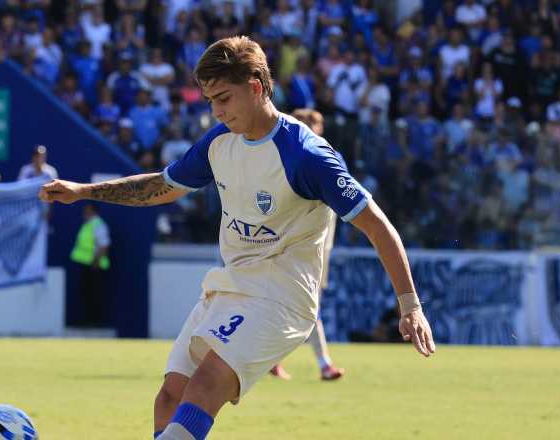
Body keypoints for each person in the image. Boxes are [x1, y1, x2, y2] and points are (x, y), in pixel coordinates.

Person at [40, 36, 435, 440]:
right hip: (231, 283)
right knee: (169, 399)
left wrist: (410, 305)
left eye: (224, 98)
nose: (216, 111)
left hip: (282, 295)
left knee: (205, 384)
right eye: (210, 100)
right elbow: (162, 187)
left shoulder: (307, 155)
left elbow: (378, 225)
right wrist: (84, 191)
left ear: (257, 87)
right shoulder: (218, 143)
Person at [267, 108, 346, 382]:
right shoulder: (286, 157)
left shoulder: (330, 157)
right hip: (296, 244)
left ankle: (272, 359)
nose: (313, 127)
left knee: (293, 307)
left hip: (321, 246)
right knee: (308, 308)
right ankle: (324, 364)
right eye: (306, 123)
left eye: (316, 123)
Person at [69, 203, 111, 327]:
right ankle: (86, 321)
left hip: (94, 266)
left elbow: (104, 245)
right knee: (86, 295)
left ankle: (94, 322)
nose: (84, 214)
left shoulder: (98, 225)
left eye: (87, 211)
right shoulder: (88, 225)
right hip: (86, 265)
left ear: (93, 211)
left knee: (93, 296)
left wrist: (95, 263)